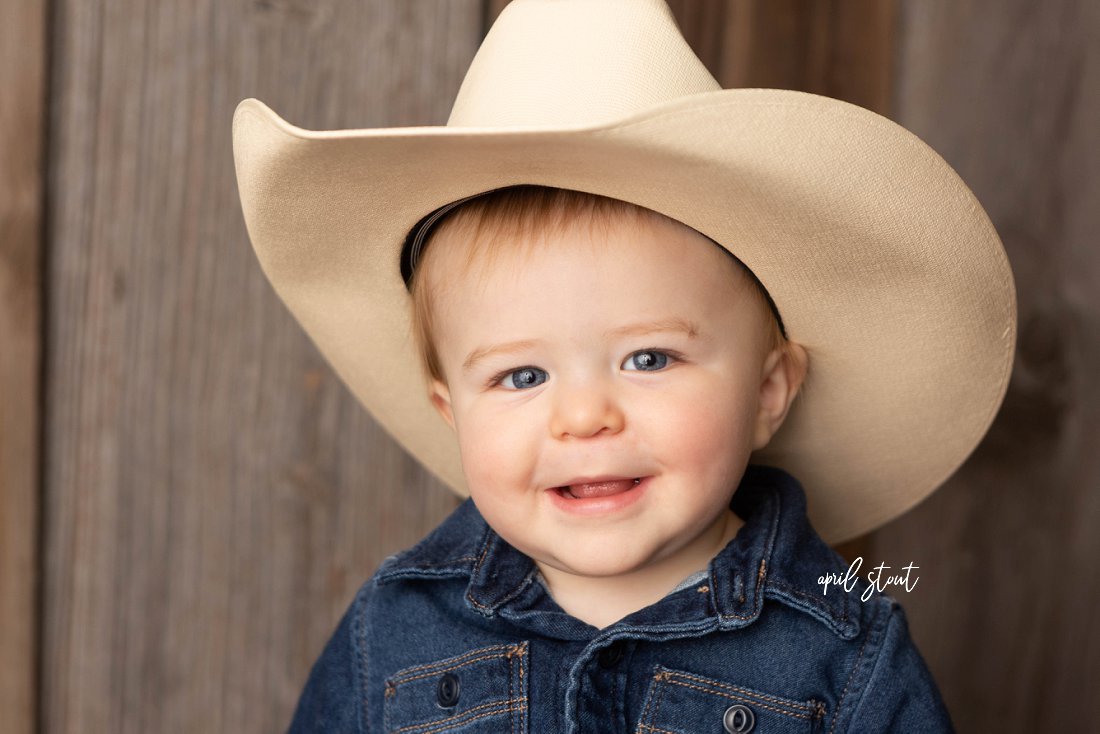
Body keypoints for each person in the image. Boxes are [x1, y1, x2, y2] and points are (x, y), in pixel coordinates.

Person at [231, 1, 1016, 731]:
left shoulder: (841, 655)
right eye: (523, 377)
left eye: (648, 358)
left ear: (769, 391)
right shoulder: (396, 633)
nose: (584, 417)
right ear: (451, 411)